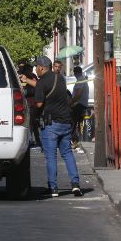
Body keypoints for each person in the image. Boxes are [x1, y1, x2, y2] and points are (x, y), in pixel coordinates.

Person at [34, 56, 82, 198]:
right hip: (66, 122)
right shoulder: (60, 78)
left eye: (36, 67)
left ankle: (53, 188)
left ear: (42, 68)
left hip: (51, 124)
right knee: (67, 153)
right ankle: (75, 185)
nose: (35, 70)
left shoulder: (42, 82)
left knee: (51, 157)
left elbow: (38, 104)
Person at [18, 63, 42, 149]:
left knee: (34, 123)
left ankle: (37, 140)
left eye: (31, 70)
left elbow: (38, 86)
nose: (31, 71)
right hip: (25, 103)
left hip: (33, 103)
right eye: (29, 70)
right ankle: (29, 140)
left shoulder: (33, 77)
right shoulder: (21, 77)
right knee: (28, 124)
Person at [70, 65, 89, 150]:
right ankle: (76, 140)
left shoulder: (81, 80)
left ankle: (75, 141)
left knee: (73, 122)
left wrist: (72, 102)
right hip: (80, 104)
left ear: (75, 73)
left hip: (79, 104)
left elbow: (78, 94)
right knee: (77, 123)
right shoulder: (82, 79)